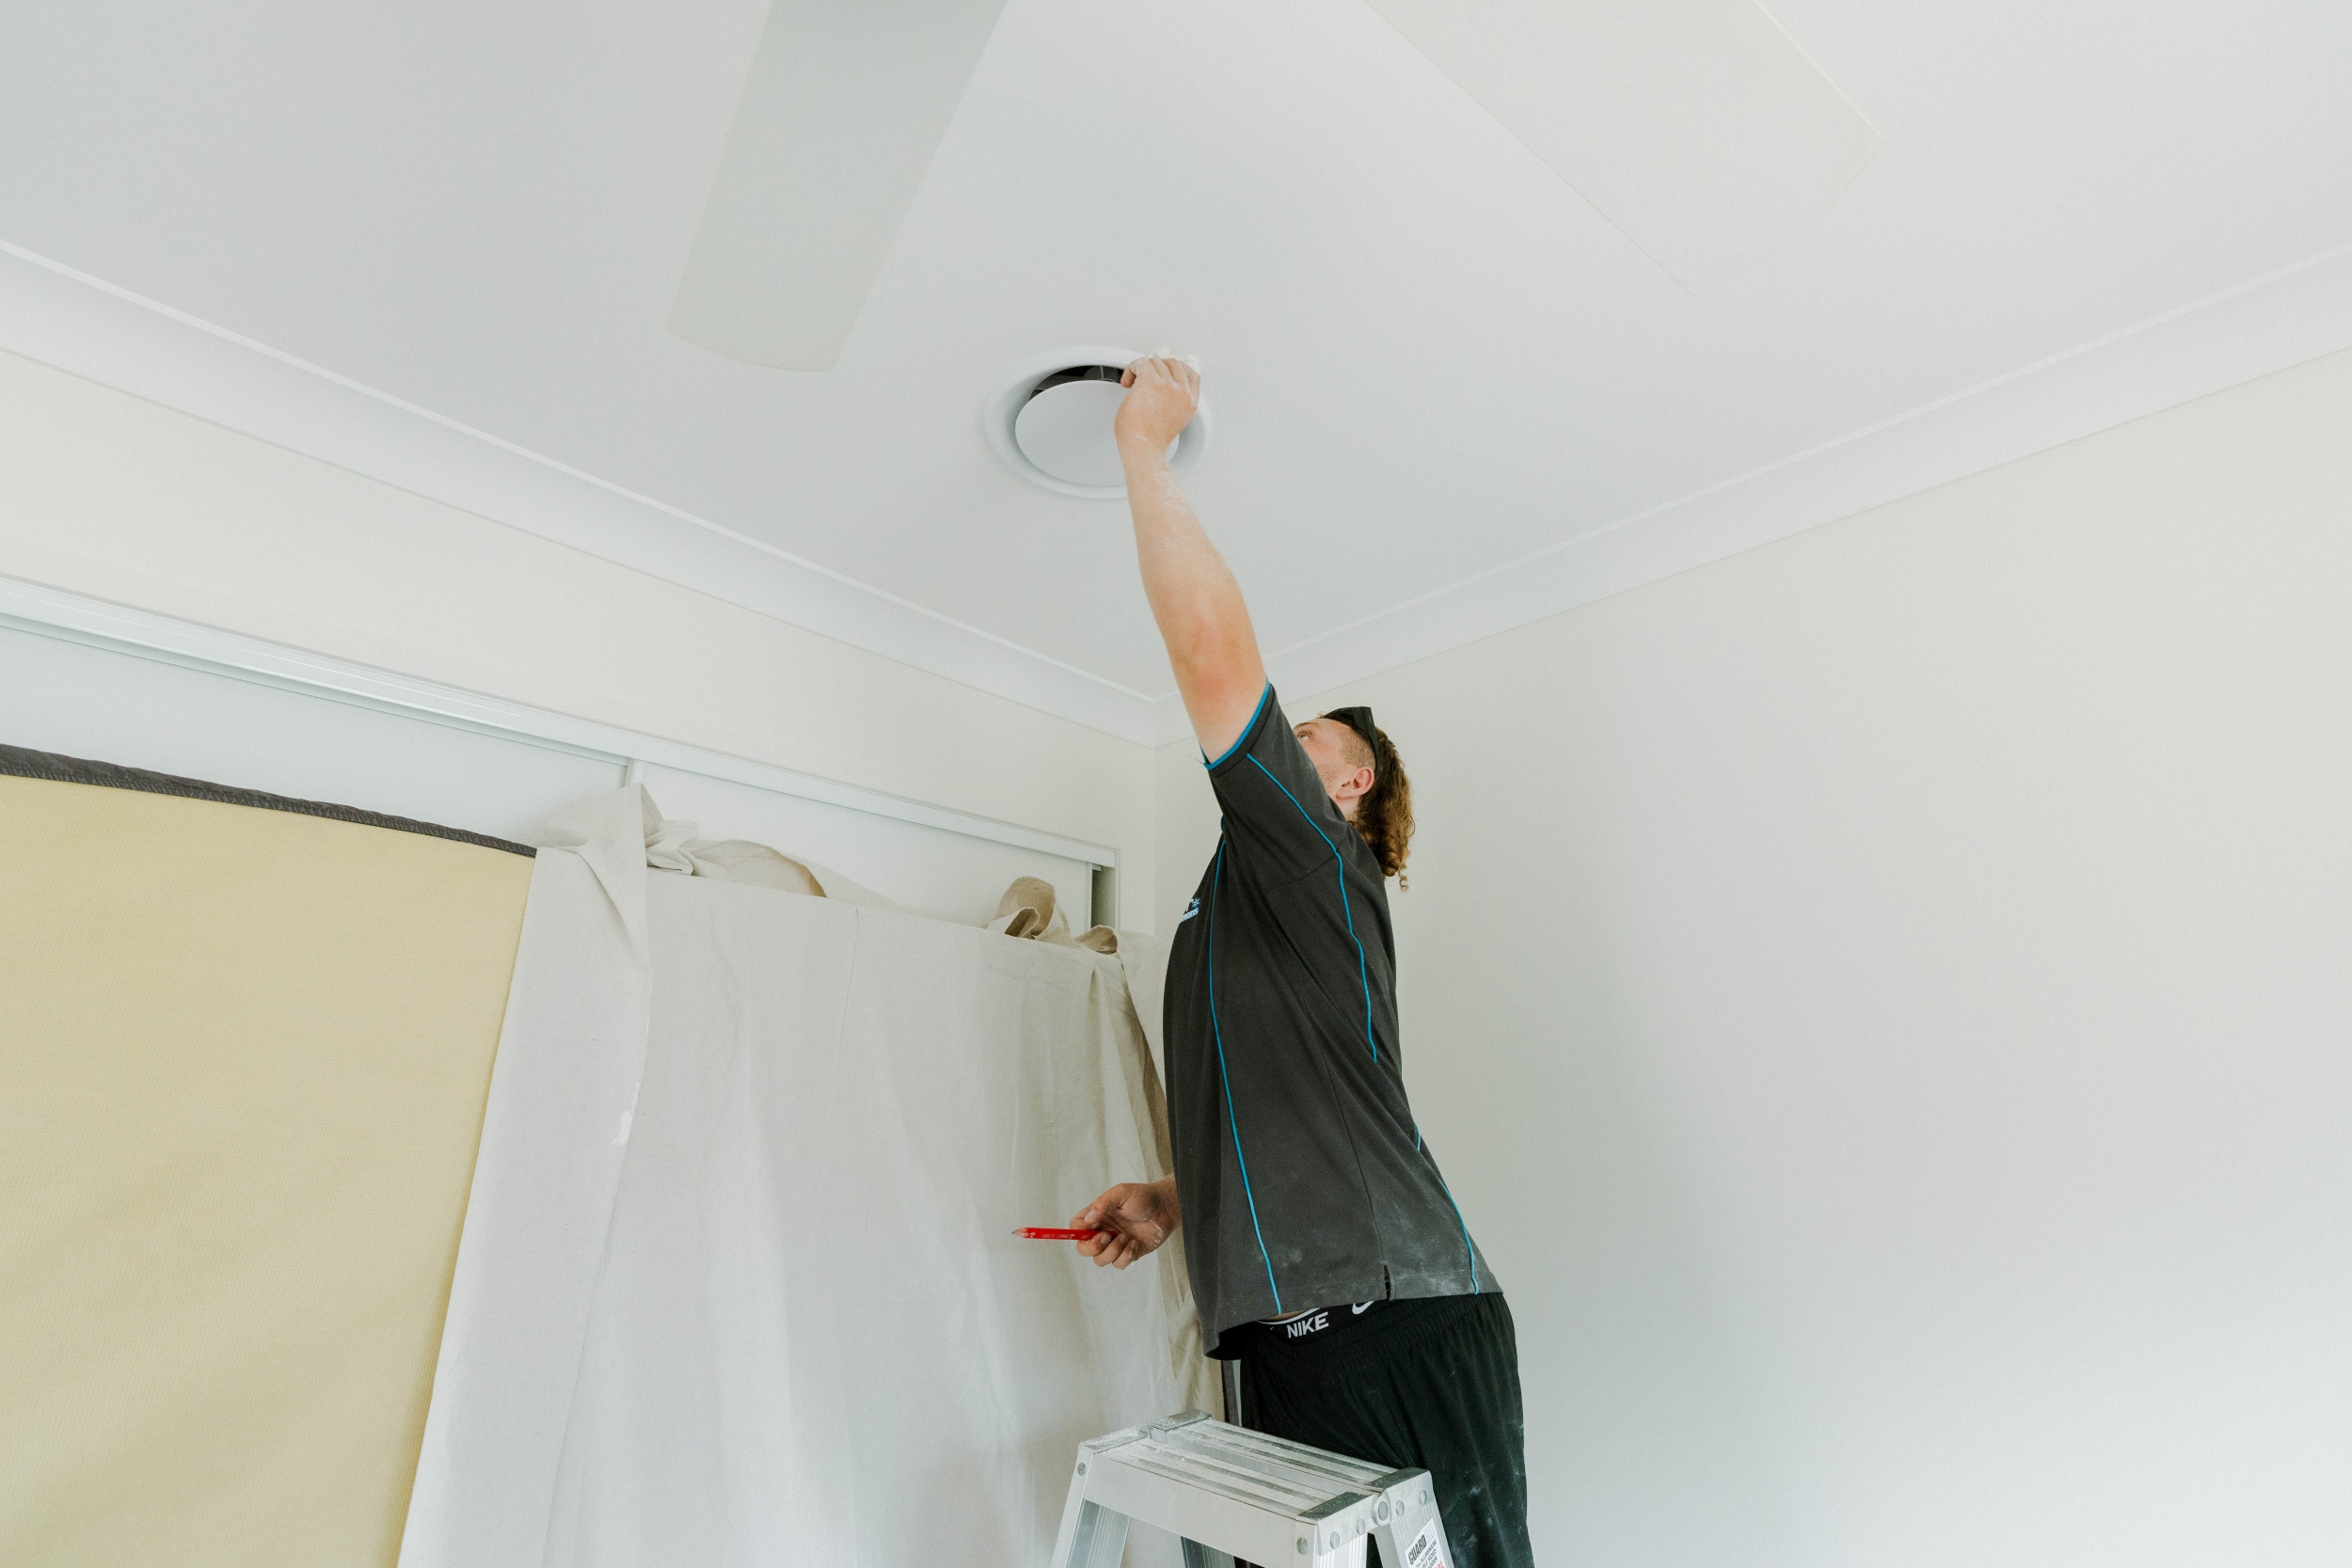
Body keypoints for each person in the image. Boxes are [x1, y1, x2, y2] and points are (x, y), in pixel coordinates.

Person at [1069, 357, 1533, 1568]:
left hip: (1390, 1323)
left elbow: (1214, 656)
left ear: (1349, 780)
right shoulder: (1254, 900)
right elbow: (1291, 1095)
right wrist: (1182, 1195)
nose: (1282, 740)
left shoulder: (1316, 855)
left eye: (1305, 733)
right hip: (1288, 1337)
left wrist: (1141, 444)